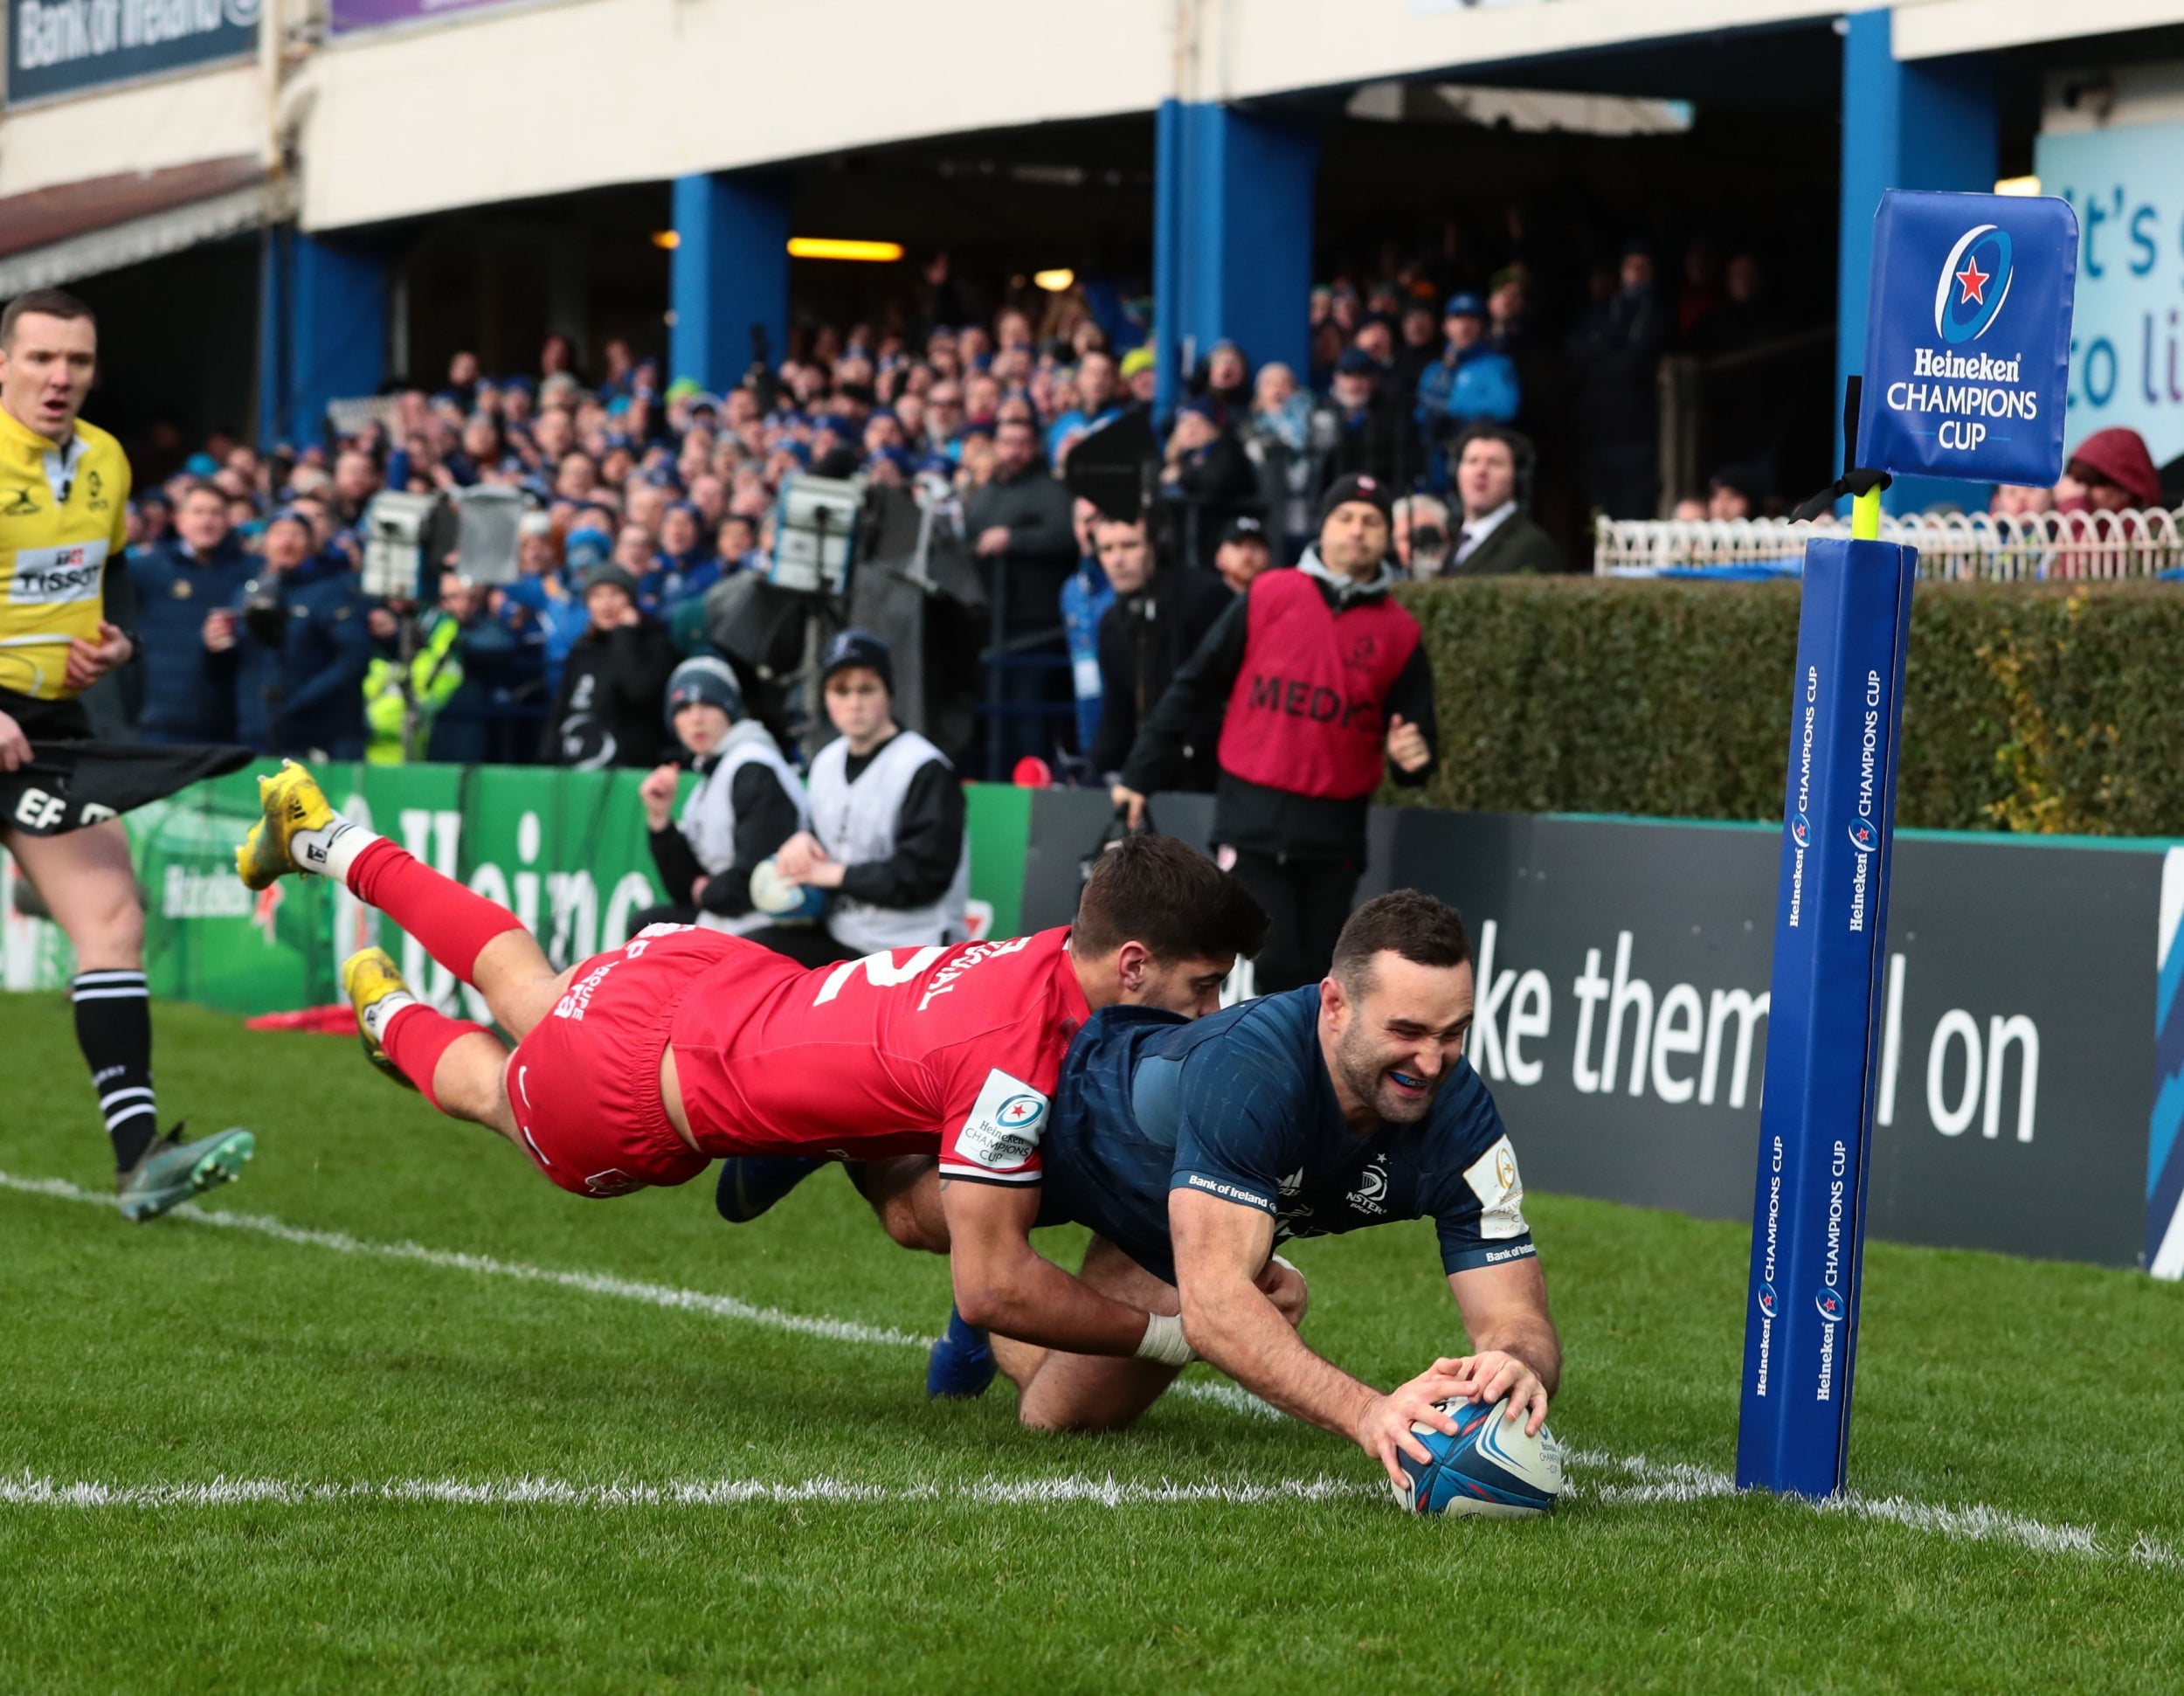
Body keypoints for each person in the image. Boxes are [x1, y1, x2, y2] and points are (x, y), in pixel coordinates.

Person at [232, 771, 1262, 1375]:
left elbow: (926, 1218)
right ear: (1131, 962)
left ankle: (327, 838)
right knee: (502, 1096)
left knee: (528, 985)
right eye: (1202, 985)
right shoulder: (1012, 1059)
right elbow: (992, 1287)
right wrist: (1171, 1338)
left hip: (700, 972)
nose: (1208, 1011)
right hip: (632, 1089)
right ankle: (390, 1013)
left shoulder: (1049, 952)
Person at [929, 890, 1559, 1469]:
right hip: (1076, 1126)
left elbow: (1516, 1314)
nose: (1430, 1061)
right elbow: (1217, 1307)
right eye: (1407, 1031)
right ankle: (972, 1279)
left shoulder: (1464, 1118)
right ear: (1334, 1005)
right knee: (913, 1215)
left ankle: (988, 1319)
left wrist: (1516, 1362)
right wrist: (1372, 1413)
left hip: (1173, 1212)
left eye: (1452, 1034)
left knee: (1058, 1414)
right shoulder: (1253, 1069)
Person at [0, 287, 254, 1220]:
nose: (59, 377)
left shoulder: (104, 460)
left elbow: (109, 580)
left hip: (48, 728)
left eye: (77, 360)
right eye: (40, 358)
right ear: (3, 363)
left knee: (112, 917)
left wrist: (120, 645)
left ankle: (140, 1160)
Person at [1113, 473, 1439, 994]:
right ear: (1323, 526)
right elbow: (1194, 685)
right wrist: (1140, 772)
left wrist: (1412, 758)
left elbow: (1420, 749)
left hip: (1335, 835)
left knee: (1320, 977)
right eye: (1346, 518)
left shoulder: (1400, 631)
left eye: (1371, 521)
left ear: (1387, 538)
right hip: (1252, 822)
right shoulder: (1268, 593)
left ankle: (1305, 1075)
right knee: (1280, 961)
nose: (1357, 531)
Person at [771, 629, 966, 959]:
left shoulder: (924, 767)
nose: (854, 703)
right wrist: (803, 841)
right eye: (840, 691)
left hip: (914, 946)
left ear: (888, 693)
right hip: (841, 934)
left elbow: (923, 876)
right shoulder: (826, 762)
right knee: (756, 957)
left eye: (866, 689)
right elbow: (826, 835)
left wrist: (834, 875)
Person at [635, 656, 818, 958]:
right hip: (730, 916)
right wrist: (660, 819)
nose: (696, 719)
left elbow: (754, 878)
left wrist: (705, 892)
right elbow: (682, 890)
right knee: (646, 927)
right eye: (684, 709)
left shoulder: (753, 767)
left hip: (772, 922)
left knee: (655, 947)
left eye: (707, 705)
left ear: (730, 710)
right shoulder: (710, 776)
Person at [1088, 514, 1230, 783]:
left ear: (1157, 546)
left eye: (1129, 546)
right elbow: (1118, 714)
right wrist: (1090, 778)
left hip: (1211, 771)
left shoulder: (1204, 597)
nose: (1117, 560)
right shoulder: (1110, 623)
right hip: (1154, 769)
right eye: (1106, 549)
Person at [229, 509, 372, 759]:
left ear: (311, 544)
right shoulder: (246, 594)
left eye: (296, 534)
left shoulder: (330, 592)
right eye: (279, 534)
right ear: (264, 543)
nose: (286, 542)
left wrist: (303, 700)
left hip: (319, 733)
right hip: (257, 730)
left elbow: (356, 656)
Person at [132, 480, 253, 744]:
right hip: (161, 718)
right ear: (179, 519)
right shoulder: (147, 569)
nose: (207, 521)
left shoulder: (252, 571)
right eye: (198, 512)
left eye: (216, 513)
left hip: (229, 721)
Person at [1566, 242, 1670, 521]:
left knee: (1634, 509)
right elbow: (1576, 351)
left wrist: (1604, 352)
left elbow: (1639, 358)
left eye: (1642, 267)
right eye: (1630, 266)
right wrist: (1615, 351)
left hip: (1638, 430)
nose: (1636, 273)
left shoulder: (1658, 312)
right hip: (1598, 428)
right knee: (1600, 511)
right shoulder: (1604, 310)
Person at [543, 563, 680, 768]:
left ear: (631, 600)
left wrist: (624, 634)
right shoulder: (582, 650)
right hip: (576, 766)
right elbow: (562, 707)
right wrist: (547, 758)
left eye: (615, 594)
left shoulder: (656, 645)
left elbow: (638, 690)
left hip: (630, 768)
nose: (606, 604)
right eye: (596, 596)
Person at [1413, 294, 1521, 489]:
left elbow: (1506, 408)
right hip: (1436, 465)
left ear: (1480, 325)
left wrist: (1451, 408)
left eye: (1471, 319)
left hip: (1478, 466)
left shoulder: (1496, 365)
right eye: (1457, 318)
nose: (1464, 325)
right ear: (1445, 326)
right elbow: (1419, 413)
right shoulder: (1435, 369)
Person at [1441, 426, 1563, 576]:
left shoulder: (1533, 546)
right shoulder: (1453, 540)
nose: (1481, 471)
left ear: (1517, 477)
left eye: (1494, 463)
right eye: (1472, 461)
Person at [1212, 514, 1274, 597]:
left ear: (1268, 557)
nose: (1248, 554)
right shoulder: (1205, 602)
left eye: (1254, 546)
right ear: (1220, 556)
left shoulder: (1275, 600)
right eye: (1238, 546)